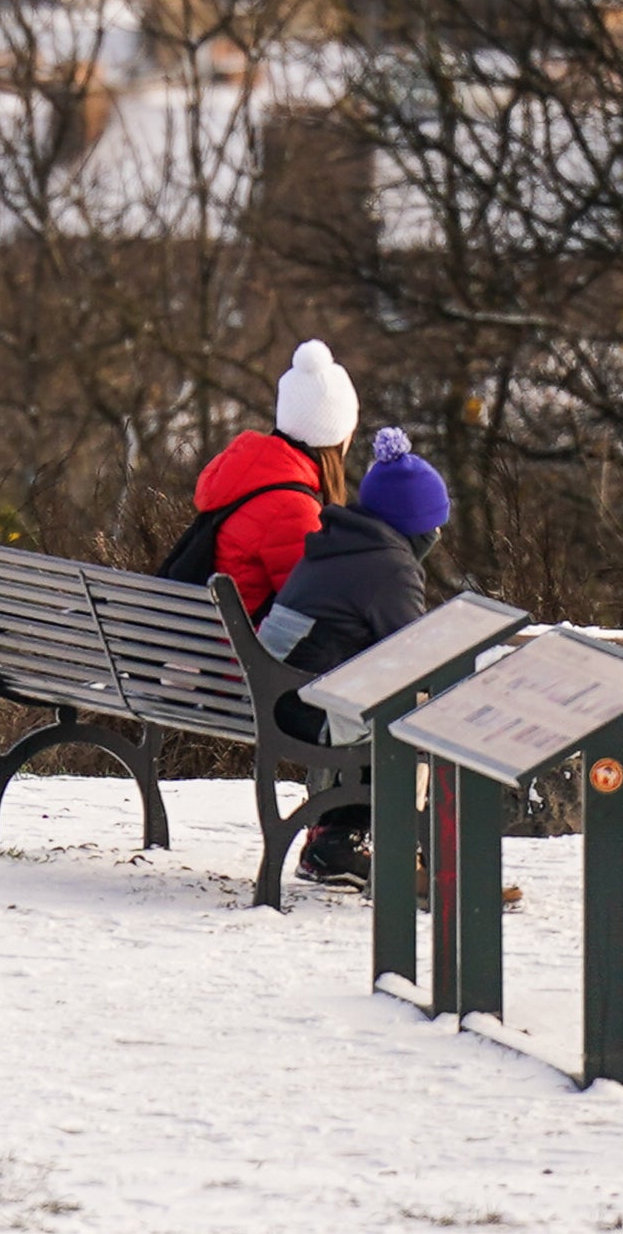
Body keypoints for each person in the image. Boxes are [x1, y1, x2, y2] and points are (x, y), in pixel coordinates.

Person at [257, 429, 449, 887]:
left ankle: (338, 841)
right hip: (308, 713)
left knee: (382, 704)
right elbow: (413, 658)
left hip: (279, 699)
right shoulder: (391, 566)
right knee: (420, 718)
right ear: (416, 526)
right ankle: (392, 853)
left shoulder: (336, 542)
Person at [176, 340, 359, 615]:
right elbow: (312, 611)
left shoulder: (250, 479)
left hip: (209, 644)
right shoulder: (292, 508)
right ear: (337, 437)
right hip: (241, 654)